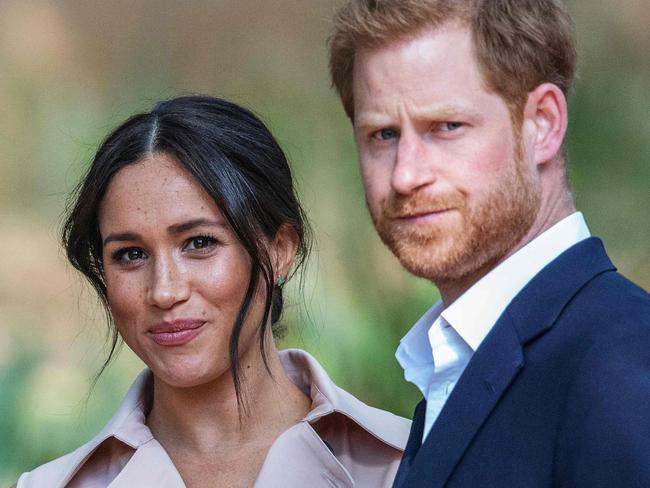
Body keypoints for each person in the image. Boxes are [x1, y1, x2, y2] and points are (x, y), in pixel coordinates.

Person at [328, 1, 650, 487]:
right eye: (383, 134)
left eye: (446, 127)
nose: (406, 174)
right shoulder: (460, 365)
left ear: (542, 123)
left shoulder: (620, 367)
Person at [15, 96, 410, 488]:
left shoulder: (410, 464)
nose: (164, 292)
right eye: (131, 254)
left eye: (199, 243)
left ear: (280, 250)